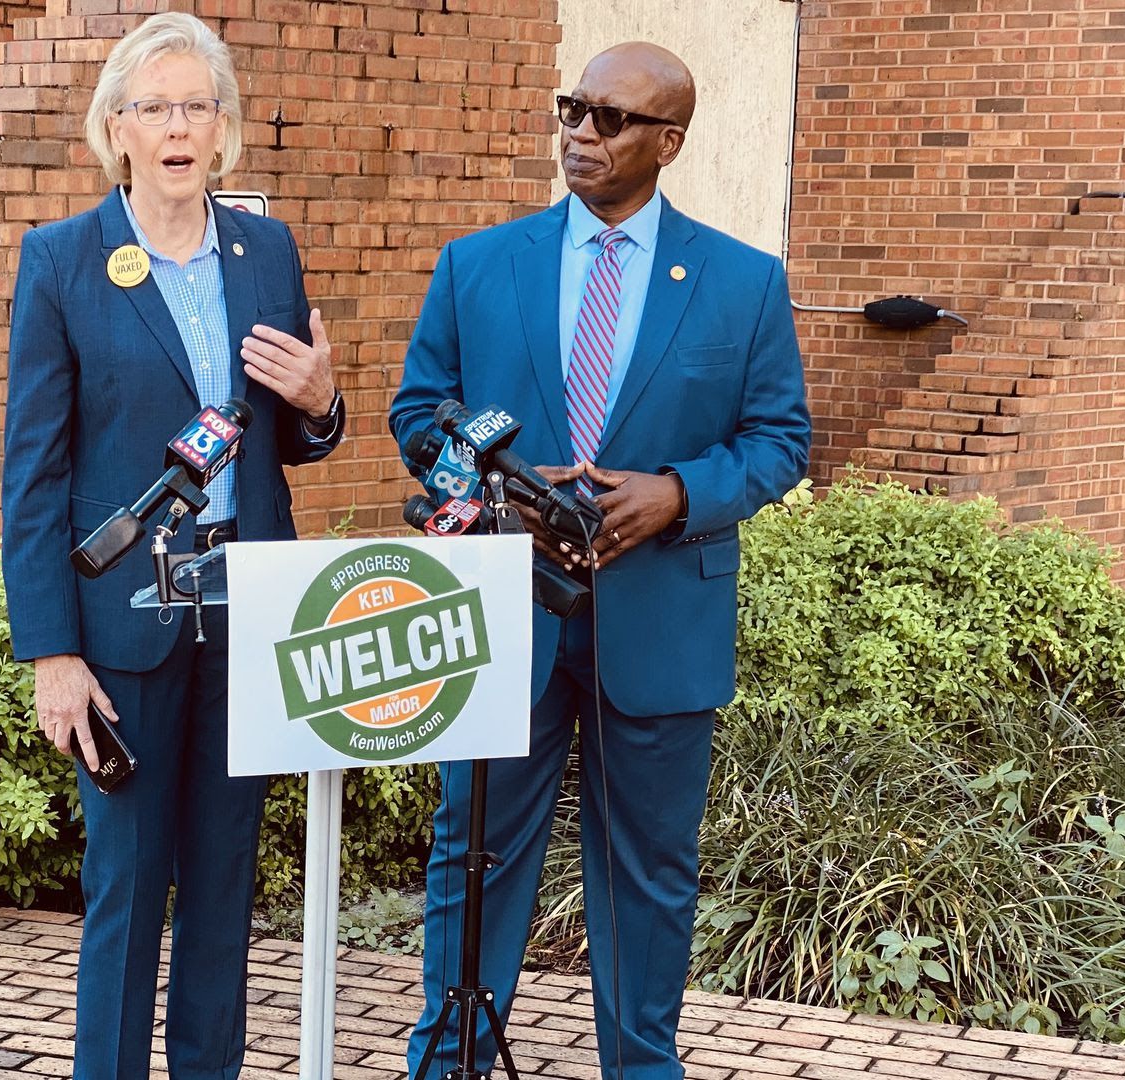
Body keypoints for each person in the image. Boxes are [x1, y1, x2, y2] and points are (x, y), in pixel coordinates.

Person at [389, 41, 812, 1080]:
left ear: (669, 141)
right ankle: (450, 1061)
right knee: (472, 855)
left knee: (651, 871)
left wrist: (676, 492)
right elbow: (416, 415)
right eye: (571, 109)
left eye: (611, 118)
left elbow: (779, 440)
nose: (581, 132)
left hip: (663, 614)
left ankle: (640, 1067)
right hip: (506, 605)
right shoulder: (478, 263)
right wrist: (498, 487)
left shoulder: (744, 283)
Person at [0, 12, 345, 1080]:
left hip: (247, 607)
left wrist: (325, 402)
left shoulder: (266, 251)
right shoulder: (62, 261)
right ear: (117, 129)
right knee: (128, 889)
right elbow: (34, 474)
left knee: (224, 884)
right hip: (124, 626)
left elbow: (296, 436)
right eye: (155, 107)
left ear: (225, 130)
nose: (179, 126)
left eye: (198, 105)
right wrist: (54, 654)